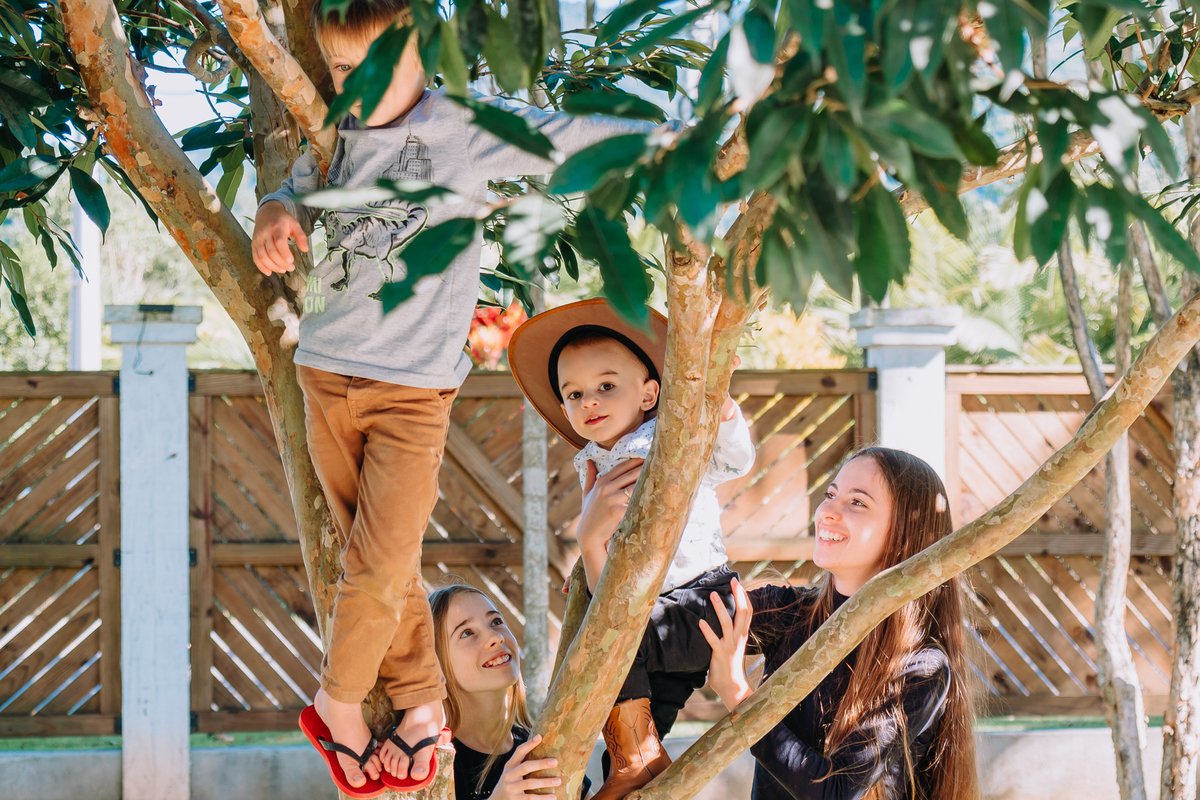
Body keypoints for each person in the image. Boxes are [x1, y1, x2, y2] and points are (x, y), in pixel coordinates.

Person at [252, 1, 679, 794]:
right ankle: (419, 704)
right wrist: (274, 211)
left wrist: (671, 144)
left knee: (377, 562)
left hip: (412, 395)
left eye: (376, 66)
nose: (356, 86)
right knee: (381, 559)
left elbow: (564, 138)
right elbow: (299, 183)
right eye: (342, 69)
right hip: (323, 376)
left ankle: (336, 703)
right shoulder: (335, 128)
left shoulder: (465, 125)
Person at [506, 299, 757, 800]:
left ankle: (636, 756)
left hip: (699, 600)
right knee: (637, 704)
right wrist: (586, 561)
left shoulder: (668, 437)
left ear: (648, 394)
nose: (589, 401)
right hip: (647, 614)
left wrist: (726, 416)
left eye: (605, 385)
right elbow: (605, 549)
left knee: (610, 649)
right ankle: (633, 767)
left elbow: (734, 462)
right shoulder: (590, 462)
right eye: (573, 393)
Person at [700, 447, 979, 800]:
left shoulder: (920, 666)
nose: (827, 511)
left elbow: (834, 793)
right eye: (831, 494)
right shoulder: (787, 613)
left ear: (905, 532)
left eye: (857, 503)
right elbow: (669, 629)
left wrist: (739, 697)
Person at [427, 583, 591, 800]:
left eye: (496, 621)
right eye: (467, 633)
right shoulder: (430, 761)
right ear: (436, 663)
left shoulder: (541, 747)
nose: (495, 637)